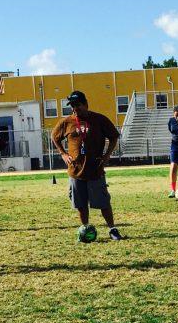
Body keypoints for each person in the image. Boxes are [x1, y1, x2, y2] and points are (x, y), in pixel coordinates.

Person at [51, 91, 124, 241]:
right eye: (72, 106)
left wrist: (107, 155)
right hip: (76, 171)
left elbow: (114, 136)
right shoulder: (67, 122)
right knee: (81, 203)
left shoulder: (99, 119)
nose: (74, 109)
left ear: (86, 104)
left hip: (95, 169)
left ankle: (112, 229)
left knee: (103, 202)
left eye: (77, 105)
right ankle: (85, 228)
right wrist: (63, 154)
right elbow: (54, 136)